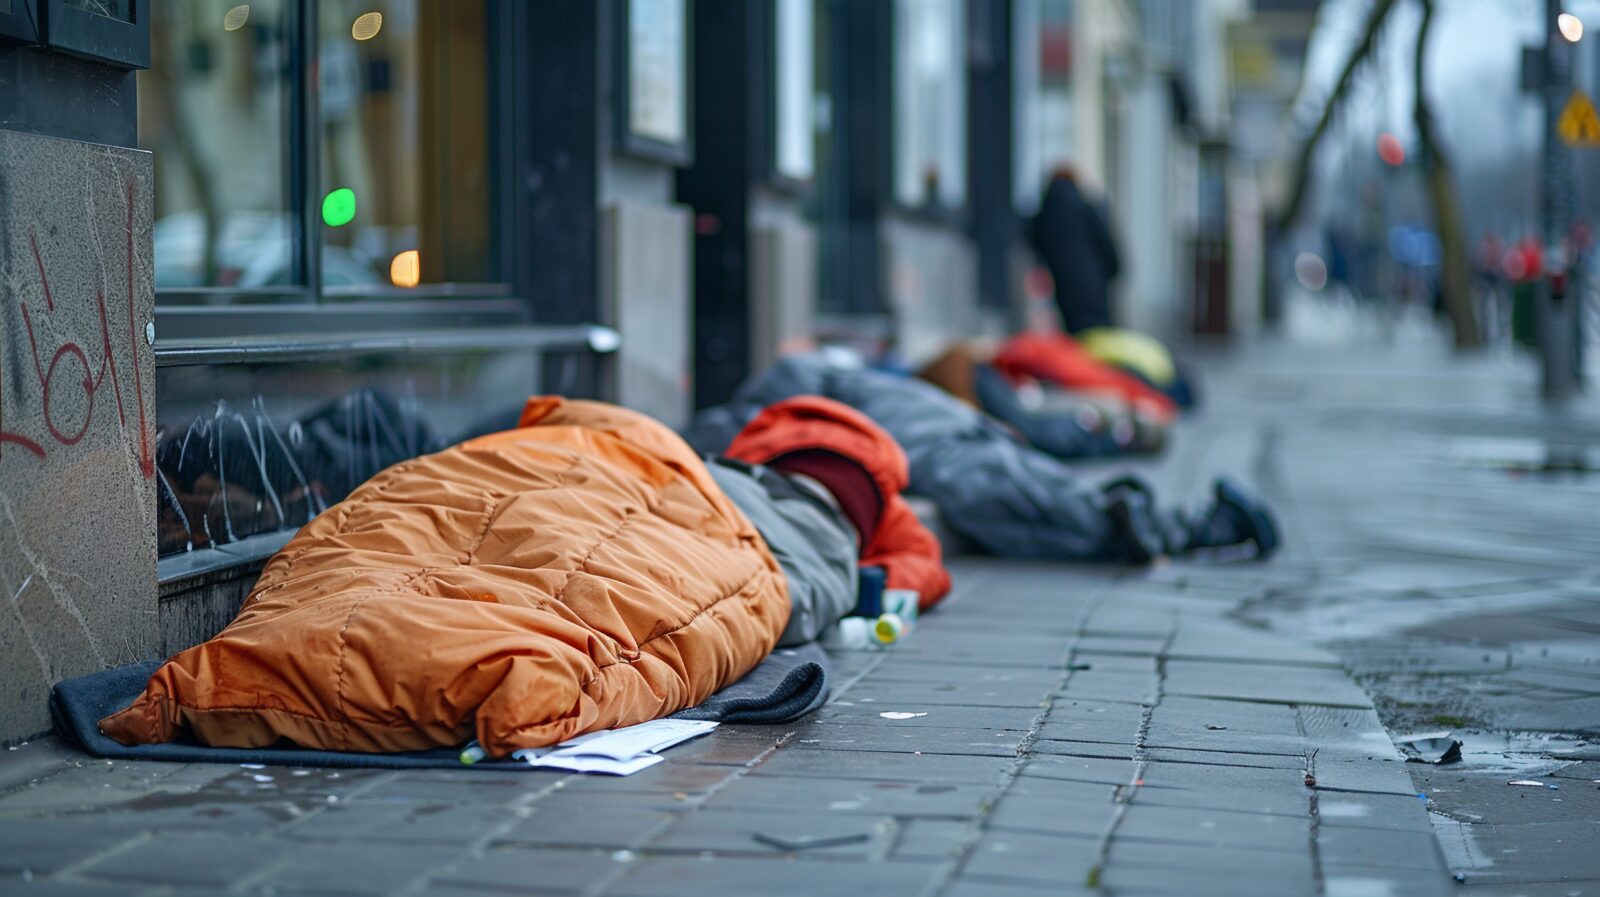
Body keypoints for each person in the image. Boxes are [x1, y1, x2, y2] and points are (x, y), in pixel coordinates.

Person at [104, 395, 943, 759]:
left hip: (631, 462)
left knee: (446, 505)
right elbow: (919, 570)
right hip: (690, 508)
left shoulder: (736, 442)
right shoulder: (869, 526)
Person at [689, 352, 1279, 568]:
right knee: (1038, 501)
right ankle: (1191, 526)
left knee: (1037, 498)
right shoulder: (802, 393)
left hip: (942, 445)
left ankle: (1184, 525)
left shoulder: (787, 397)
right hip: (946, 446)